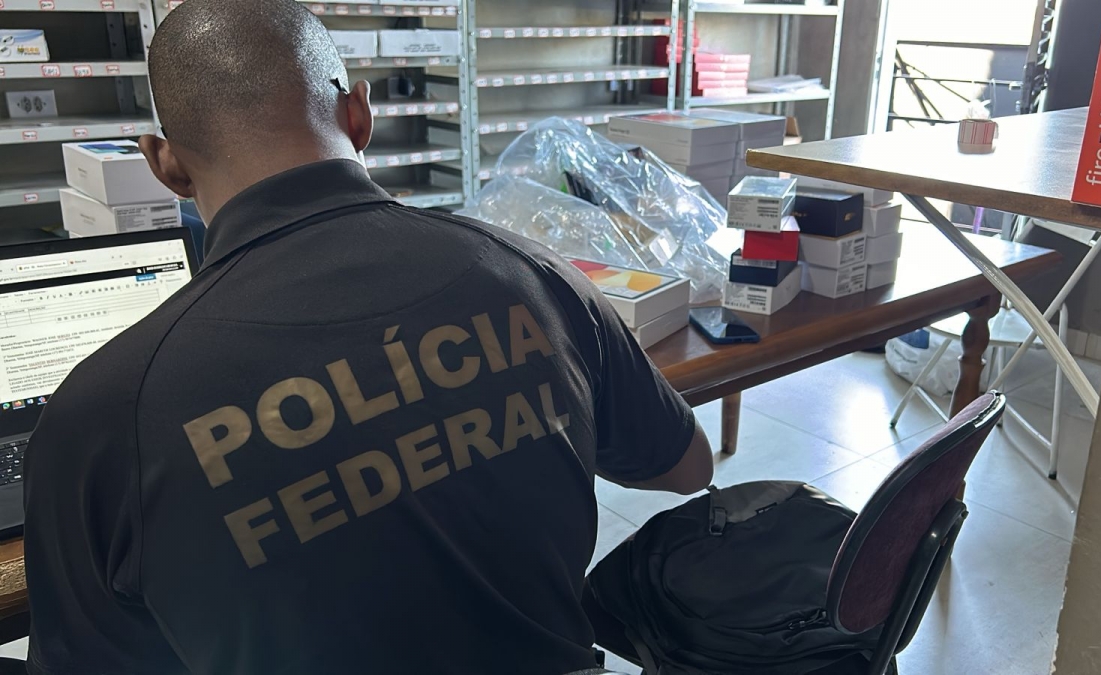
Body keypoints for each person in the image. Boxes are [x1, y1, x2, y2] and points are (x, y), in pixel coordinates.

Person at [20, 0, 713, 673]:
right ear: (359, 114)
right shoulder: (534, 274)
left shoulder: (100, 416)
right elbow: (686, 468)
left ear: (165, 163)